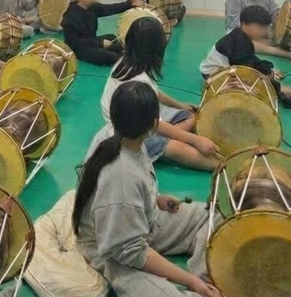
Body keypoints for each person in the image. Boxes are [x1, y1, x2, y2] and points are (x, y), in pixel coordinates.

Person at [73, 81, 221, 297]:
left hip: (140, 225)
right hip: (115, 253)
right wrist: (190, 281)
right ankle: (201, 284)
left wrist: (155, 199)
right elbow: (130, 251)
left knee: (212, 215)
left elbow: (130, 196)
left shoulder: (127, 141)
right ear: (153, 124)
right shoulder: (121, 176)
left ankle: (205, 277)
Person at [86, 18, 219, 171]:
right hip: (129, 134)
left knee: (190, 116)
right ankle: (225, 165)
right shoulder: (139, 79)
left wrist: (179, 105)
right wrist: (196, 140)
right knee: (182, 149)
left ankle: (166, 140)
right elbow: (154, 124)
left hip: (139, 121)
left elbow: (155, 93)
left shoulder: (128, 62)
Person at [201, 5, 291, 100]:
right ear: (245, 24)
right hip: (213, 74)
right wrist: (277, 86)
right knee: (251, 90)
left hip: (227, 68)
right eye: (260, 27)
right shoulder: (238, 41)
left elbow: (252, 60)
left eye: (266, 27)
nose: (265, 31)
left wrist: (269, 70)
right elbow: (250, 68)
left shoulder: (241, 37)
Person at [62, 0, 133, 66]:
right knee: (111, 56)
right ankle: (125, 60)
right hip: (79, 49)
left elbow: (111, 8)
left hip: (92, 41)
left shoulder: (93, 7)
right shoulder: (70, 15)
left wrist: (130, 4)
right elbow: (74, 41)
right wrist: (100, 43)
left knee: (111, 37)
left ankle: (127, 55)